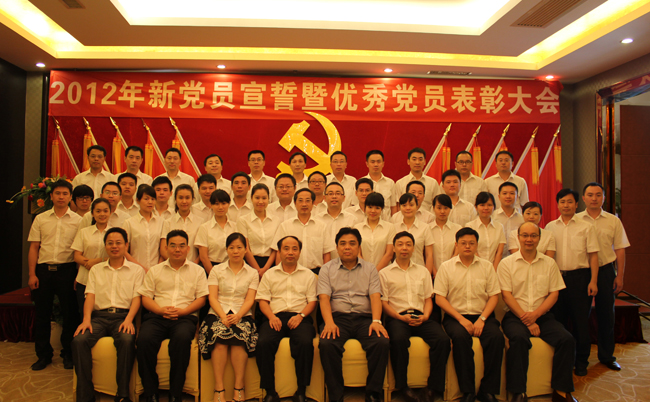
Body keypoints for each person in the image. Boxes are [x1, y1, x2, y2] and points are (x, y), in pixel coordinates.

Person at [498, 222, 578, 402]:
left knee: (567, 340)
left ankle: (561, 391)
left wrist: (535, 316)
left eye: (533, 236)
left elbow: (554, 293)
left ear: (539, 239)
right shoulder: (507, 263)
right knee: (519, 339)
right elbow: (506, 295)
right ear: (518, 237)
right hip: (515, 315)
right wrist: (527, 319)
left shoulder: (549, 263)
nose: (529, 239)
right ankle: (518, 392)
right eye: (525, 235)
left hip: (542, 315)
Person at [71, 227, 144, 402]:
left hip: (123, 317)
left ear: (126, 245)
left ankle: (122, 394)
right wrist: (86, 320)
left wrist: (129, 320)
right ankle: (85, 396)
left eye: (118, 243)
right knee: (79, 340)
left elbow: (137, 298)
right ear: (105, 246)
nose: (114, 246)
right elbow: (90, 296)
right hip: (99, 318)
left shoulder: (136, 270)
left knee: (126, 340)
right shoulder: (96, 270)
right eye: (110, 243)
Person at [318, 228, 389, 402]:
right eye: (342, 244)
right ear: (336, 247)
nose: (347, 247)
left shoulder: (370, 269)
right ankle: (336, 396)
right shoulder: (326, 269)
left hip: (364, 318)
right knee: (327, 343)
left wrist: (376, 321)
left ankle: (373, 394)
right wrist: (329, 322)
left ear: (359, 247)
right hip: (337, 318)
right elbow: (324, 298)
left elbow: (375, 297)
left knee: (381, 342)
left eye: (352, 243)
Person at [137, 230, 209, 402]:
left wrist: (184, 311)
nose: (178, 249)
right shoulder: (155, 270)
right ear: (166, 248)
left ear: (188, 248)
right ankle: (151, 392)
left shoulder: (198, 271)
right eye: (173, 246)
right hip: (157, 316)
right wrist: (159, 310)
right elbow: (145, 297)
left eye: (182, 246)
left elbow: (202, 298)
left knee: (182, 340)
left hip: (184, 317)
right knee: (144, 340)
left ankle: (175, 393)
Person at [435, 227, 504, 402]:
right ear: (456, 245)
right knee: (460, 338)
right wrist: (461, 319)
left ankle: (488, 391)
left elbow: (494, 296)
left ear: (477, 245)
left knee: (496, 338)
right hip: (455, 317)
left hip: (483, 315)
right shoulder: (446, 267)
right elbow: (440, 298)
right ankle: (468, 391)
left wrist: (482, 319)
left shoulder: (487, 267)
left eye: (471, 243)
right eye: (463, 243)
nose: (467, 246)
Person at [380, 231, 450, 402]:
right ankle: (403, 387)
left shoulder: (423, 271)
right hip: (397, 317)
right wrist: (399, 317)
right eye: (400, 244)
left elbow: (428, 299)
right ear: (394, 248)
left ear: (413, 248)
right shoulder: (385, 273)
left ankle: (433, 388)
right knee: (398, 340)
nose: (404, 248)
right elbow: (384, 303)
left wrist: (426, 316)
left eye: (408, 244)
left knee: (442, 340)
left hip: (421, 316)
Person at [28, 179, 82, 371]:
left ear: (70, 197)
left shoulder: (78, 220)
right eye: (57, 193)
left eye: (65, 194)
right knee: (42, 314)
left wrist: (77, 275)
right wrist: (32, 274)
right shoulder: (40, 218)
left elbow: (80, 250)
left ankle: (68, 354)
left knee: (70, 315)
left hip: (67, 271)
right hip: (43, 271)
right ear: (51, 196)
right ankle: (43, 355)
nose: (61, 197)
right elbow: (34, 248)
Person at [545, 188, 599, 377]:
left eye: (569, 202)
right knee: (558, 322)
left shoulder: (586, 227)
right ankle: (564, 361)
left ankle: (581, 362)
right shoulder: (550, 227)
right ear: (557, 204)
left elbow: (593, 256)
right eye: (562, 202)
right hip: (557, 279)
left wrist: (593, 281)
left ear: (577, 204)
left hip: (580, 279)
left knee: (580, 322)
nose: (566, 205)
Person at [256, 236, 317, 402]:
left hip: (300, 317)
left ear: (300, 252)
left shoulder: (308, 275)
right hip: (274, 316)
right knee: (263, 342)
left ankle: (301, 391)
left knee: (305, 342)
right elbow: (263, 301)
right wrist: (271, 317)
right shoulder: (269, 274)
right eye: (286, 248)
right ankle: (270, 392)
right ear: (279, 252)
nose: (290, 252)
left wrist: (301, 316)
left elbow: (312, 301)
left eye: (295, 249)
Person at [199, 233, 258, 402]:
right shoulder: (216, 270)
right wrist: (223, 316)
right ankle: (219, 389)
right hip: (217, 313)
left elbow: (250, 299)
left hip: (242, 314)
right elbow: (212, 297)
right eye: (231, 248)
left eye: (239, 247)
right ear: (226, 250)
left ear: (246, 250)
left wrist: (238, 316)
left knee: (240, 339)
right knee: (219, 339)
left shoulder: (253, 273)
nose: (235, 251)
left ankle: (239, 388)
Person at [577, 182, 630, 371]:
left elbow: (620, 249)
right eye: (590, 195)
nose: (594, 198)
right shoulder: (575, 220)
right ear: (583, 198)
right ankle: (580, 359)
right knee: (580, 316)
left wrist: (619, 276)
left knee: (606, 314)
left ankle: (607, 356)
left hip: (606, 271)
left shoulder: (613, 221)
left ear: (604, 198)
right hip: (583, 272)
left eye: (598, 195)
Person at [273, 189, 334, 274]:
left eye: (308, 201)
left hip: (316, 272)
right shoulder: (285, 226)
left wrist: (325, 274)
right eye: (300, 201)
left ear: (313, 203)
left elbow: (326, 253)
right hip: (290, 272)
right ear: (295, 203)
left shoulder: (322, 226)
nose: (304, 204)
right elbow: (279, 252)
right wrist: (281, 273)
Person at [72, 198, 111, 315]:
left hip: (106, 280)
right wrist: (89, 263)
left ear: (110, 212)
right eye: (98, 211)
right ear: (92, 213)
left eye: (105, 211)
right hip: (84, 279)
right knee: (84, 313)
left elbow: (118, 257)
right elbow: (77, 256)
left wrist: (97, 261)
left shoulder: (114, 233)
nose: (102, 214)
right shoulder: (84, 232)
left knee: (102, 315)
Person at [238, 184, 280, 277]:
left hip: (271, 264)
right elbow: (245, 248)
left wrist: (265, 269)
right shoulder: (243, 220)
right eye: (257, 198)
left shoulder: (276, 220)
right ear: (251, 198)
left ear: (268, 199)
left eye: (264, 198)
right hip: (249, 264)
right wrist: (257, 270)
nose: (260, 201)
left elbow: (275, 248)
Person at [196, 190, 238, 276]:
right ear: (211, 205)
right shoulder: (204, 228)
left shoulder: (235, 226)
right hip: (211, 267)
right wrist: (214, 275)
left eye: (224, 203)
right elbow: (203, 257)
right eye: (216, 204)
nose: (220, 207)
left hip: (232, 268)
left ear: (229, 204)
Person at [123, 185, 164, 271]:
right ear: (138, 200)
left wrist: (157, 268)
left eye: (153, 199)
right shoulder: (129, 223)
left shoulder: (162, 222)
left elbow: (163, 249)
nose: (150, 202)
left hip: (157, 270)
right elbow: (124, 251)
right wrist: (141, 269)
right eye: (146, 199)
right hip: (135, 269)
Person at [393, 193, 434, 274]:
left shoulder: (425, 228)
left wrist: (427, 275)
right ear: (400, 207)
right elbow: (391, 253)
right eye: (404, 205)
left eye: (411, 205)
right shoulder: (394, 227)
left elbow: (429, 254)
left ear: (417, 206)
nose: (408, 208)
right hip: (397, 271)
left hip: (419, 272)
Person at [160, 184, 202, 263]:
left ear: (192, 199)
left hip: (194, 266)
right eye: (180, 198)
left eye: (187, 198)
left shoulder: (200, 222)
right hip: (172, 266)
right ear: (175, 199)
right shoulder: (168, 222)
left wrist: (193, 265)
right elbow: (163, 249)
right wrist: (176, 263)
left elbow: (203, 250)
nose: (184, 201)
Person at [316, 183, 358, 260]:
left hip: (346, 262)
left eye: (338, 193)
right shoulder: (317, 220)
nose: (334, 196)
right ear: (324, 198)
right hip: (323, 263)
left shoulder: (352, 219)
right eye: (330, 194)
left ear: (344, 198)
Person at [354, 193, 395, 270]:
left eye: (377, 208)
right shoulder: (357, 228)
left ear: (382, 209)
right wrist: (366, 271)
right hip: (362, 271)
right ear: (365, 208)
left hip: (384, 272)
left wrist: (375, 272)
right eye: (370, 207)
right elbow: (357, 253)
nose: (373, 211)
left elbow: (389, 254)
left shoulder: (390, 227)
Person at [466, 192, 506, 270]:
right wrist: (482, 269)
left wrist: (493, 270)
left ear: (494, 207)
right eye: (482, 205)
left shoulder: (499, 227)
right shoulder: (470, 226)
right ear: (476, 207)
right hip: (475, 268)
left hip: (494, 269)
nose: (486, 208)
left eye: (489, 205)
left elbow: (499, 252)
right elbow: (472, 251)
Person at [393, 147, 440, 214]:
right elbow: (398, 207)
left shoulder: (433, 182)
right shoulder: (400, 183)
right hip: (407, 218)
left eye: (420, 159)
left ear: (425, 162)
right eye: (414, 159)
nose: (417, 162)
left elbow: (438, 204)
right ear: (408, 161)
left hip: (428, 219)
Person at [492, 182, 525, 258]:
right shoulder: (492, 217)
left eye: (512, 193)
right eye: (505, 193)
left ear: (517, 197)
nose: (508, 196)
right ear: (499, 197)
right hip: (495, 258)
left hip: (517, 258)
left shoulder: (522, 219)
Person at [430, 194, 462, 270]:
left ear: (450, 209)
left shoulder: (458, 229)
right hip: (432, 272)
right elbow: (427, 254)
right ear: (433, 208)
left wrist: (448, 269)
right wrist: (434, 272)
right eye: (439, 208)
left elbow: (457, 252)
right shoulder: (427, 229)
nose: (442, 211)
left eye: (446, 208)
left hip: (453, 270)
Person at [362, 150, 395, 221]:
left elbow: (393, 207)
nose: (376, 164)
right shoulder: (361, 183)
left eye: (379, 162)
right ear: (367, 164)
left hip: (386, 223)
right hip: (365, 223)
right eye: (372, 162)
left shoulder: (390, 183)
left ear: (383, 163)